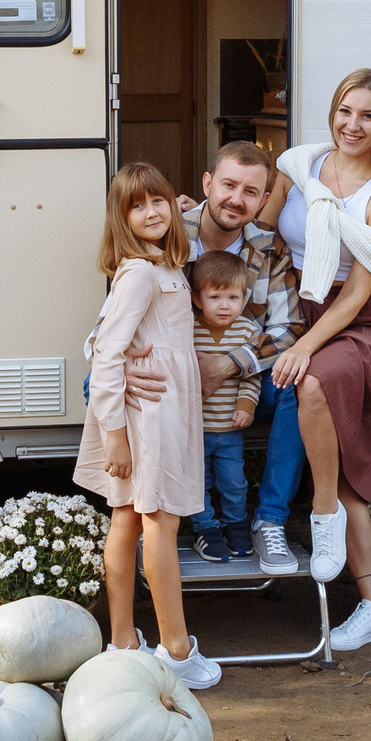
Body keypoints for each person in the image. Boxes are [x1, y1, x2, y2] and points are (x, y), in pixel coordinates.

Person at [263, 68, 371, 651]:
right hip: (300, 304)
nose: (352, 125)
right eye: (344, 111)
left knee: (314, 384)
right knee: (356, 474)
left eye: (367, 116)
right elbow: (259, 225)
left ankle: (320, 514)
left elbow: (357, 294)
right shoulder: (299, 166)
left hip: (361, 324)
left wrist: (305, 344)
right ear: (331, 113)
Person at [124, 142, 310, 575]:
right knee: (96, 386)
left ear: (264, 201)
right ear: (208, 183)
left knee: (299, 385)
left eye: (250, 192)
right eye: (228, 185)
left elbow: (289, 329)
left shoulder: (269, 252)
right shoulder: (163, 232)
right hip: (168, 380)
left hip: (235, 388)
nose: (236, 199)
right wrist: (130, 366)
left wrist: (228, 363)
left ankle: (270, 521)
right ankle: (143, 519)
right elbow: (110, 325)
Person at [72, 163, 221, 690]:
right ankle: (177, 651)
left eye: (158, 200)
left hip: (157, 408)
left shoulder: (164, 263)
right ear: (122, 218)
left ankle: (122, 642)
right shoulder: (139, 273)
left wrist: (183, 207)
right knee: (158, 523)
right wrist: (114, 432)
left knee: (127, 521)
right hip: (148, 415)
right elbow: (108, 353)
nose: (152, 211)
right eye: (138, 206)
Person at [183, 252, 262, 564]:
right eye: (215, 297)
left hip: (229, 428)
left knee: (233, 480)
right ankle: (205, 528)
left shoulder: (246, 332)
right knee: (197, 481)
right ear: (198, 299)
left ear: (244, 298)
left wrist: (246, 405)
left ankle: (235, 524)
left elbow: (250, 375)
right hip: (195, 429)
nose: (225, 305)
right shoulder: (188, 329)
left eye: (233, 297)